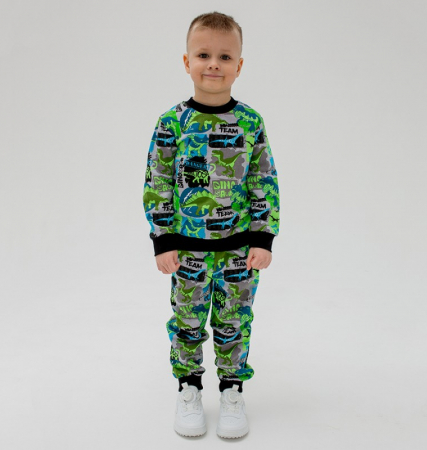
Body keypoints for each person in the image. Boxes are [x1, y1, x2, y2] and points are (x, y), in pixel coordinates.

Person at [142, 11, 280, 438]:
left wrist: (263, 237)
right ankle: (188, 388)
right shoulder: (172, 122)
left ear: (239, 65)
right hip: (187, 252)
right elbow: (158, 182)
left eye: (225, 56)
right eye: (203, 55)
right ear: (187, 62)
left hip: (240, 251)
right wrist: (163, 238)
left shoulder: (251, 122)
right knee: (187, 321)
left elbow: (263, 181)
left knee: (234, 321)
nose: (214, 64)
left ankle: (232, 390)